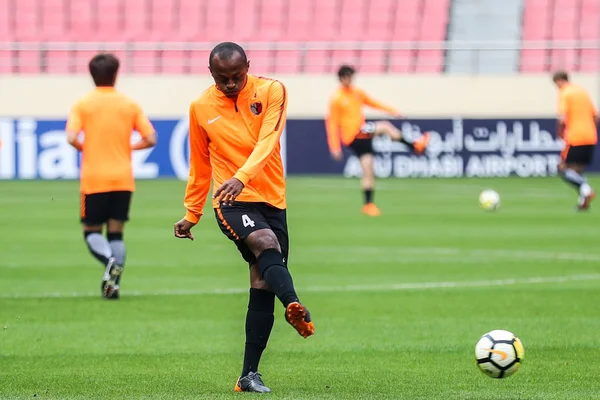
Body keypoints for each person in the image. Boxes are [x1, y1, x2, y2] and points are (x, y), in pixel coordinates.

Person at [173, 42, 314, 394]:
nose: (231, 84)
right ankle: (294, 305)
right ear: (211, 74)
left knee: (263, 277)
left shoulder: (271, 91)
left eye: (237, 76)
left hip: (271, 200)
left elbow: (269, 140)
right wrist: (192, 212)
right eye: (223, 79)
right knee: (265, 243)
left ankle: (248, 375)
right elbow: (200, 163)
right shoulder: (200, 107)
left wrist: (243, 176)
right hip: (230, 202)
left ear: (248, 66)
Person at [66, 53, 157, 299]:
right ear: (116, 74)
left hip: (94, 179)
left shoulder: (83, 104)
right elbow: (150, 138)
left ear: (92, 75)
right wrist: (129, 148)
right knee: (116, 233)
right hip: (122, 178)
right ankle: (113, 285)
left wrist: (88, 148)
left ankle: (109, 261)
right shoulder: (129, 104)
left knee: (91, 231)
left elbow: (72, 137)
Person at [325, 65, 430, 217]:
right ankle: (415, 145)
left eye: (351, 77)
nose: (350, 80)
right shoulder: (337, 98)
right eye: (347, 77)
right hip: (354, 135)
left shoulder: (357, 93)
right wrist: (334, 146)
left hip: (363, 135)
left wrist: (392, 110)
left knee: (368, 170)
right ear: (341, 78)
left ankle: (368, 205)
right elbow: (332, 123)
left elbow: (373, 103)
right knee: (385, 127)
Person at [553, 71, 598, 210]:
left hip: (575, 137)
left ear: (560, 81)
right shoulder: (582, 92)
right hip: (590, 135)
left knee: (563, 169)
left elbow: (562, 118)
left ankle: (586, 189)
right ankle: (583, 203)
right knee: (578, 170)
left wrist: (560, 133)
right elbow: (596, 116)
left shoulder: (565, 93)